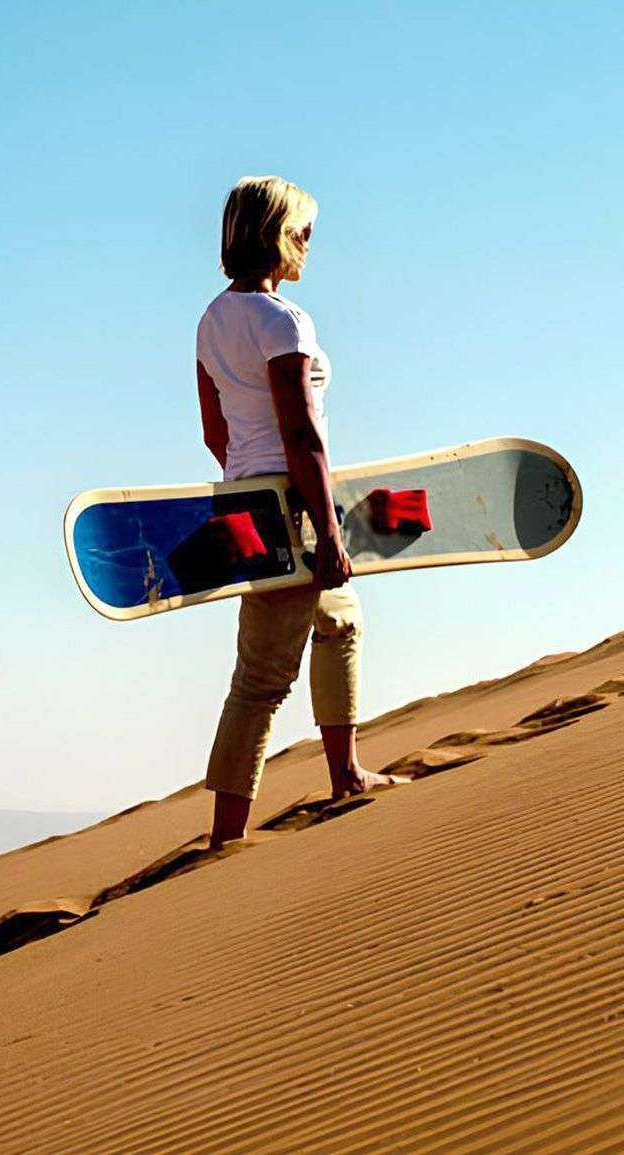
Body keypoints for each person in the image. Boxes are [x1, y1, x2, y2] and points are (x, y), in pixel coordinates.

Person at [196, 175, 391, 849]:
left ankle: (346, 773)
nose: (308, 242)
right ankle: (224, 839)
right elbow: (301, 431)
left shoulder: (212, 319)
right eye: (302, 229)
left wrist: (245, 482)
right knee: (261, 677)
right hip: (293, 498)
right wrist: (327, 532)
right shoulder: (284, 321)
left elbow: (214, 430)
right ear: (275, 233)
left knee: (340, 622)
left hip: (250, 494)